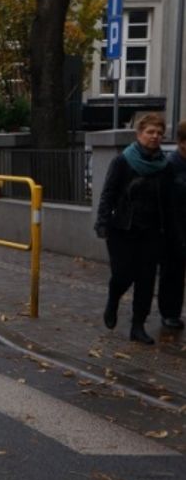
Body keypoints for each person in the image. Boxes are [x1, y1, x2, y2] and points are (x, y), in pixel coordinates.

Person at [95, 113, 171, 345]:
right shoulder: (123, 161)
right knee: (123, 275)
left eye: (159, 133)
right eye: (150, 132)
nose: (155, 136)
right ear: (139, 134)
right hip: (122, 229)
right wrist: (102, 222)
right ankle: (113, 298)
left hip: (151, 231)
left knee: (146, 280)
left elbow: (168, 201)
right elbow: (108, 193)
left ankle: (138, 326)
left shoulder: (164, 166)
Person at [161, 120, 186, 330]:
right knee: (173, 272)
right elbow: (166, 202)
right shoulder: (171, 165)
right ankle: (170, 312)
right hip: (175, 227)